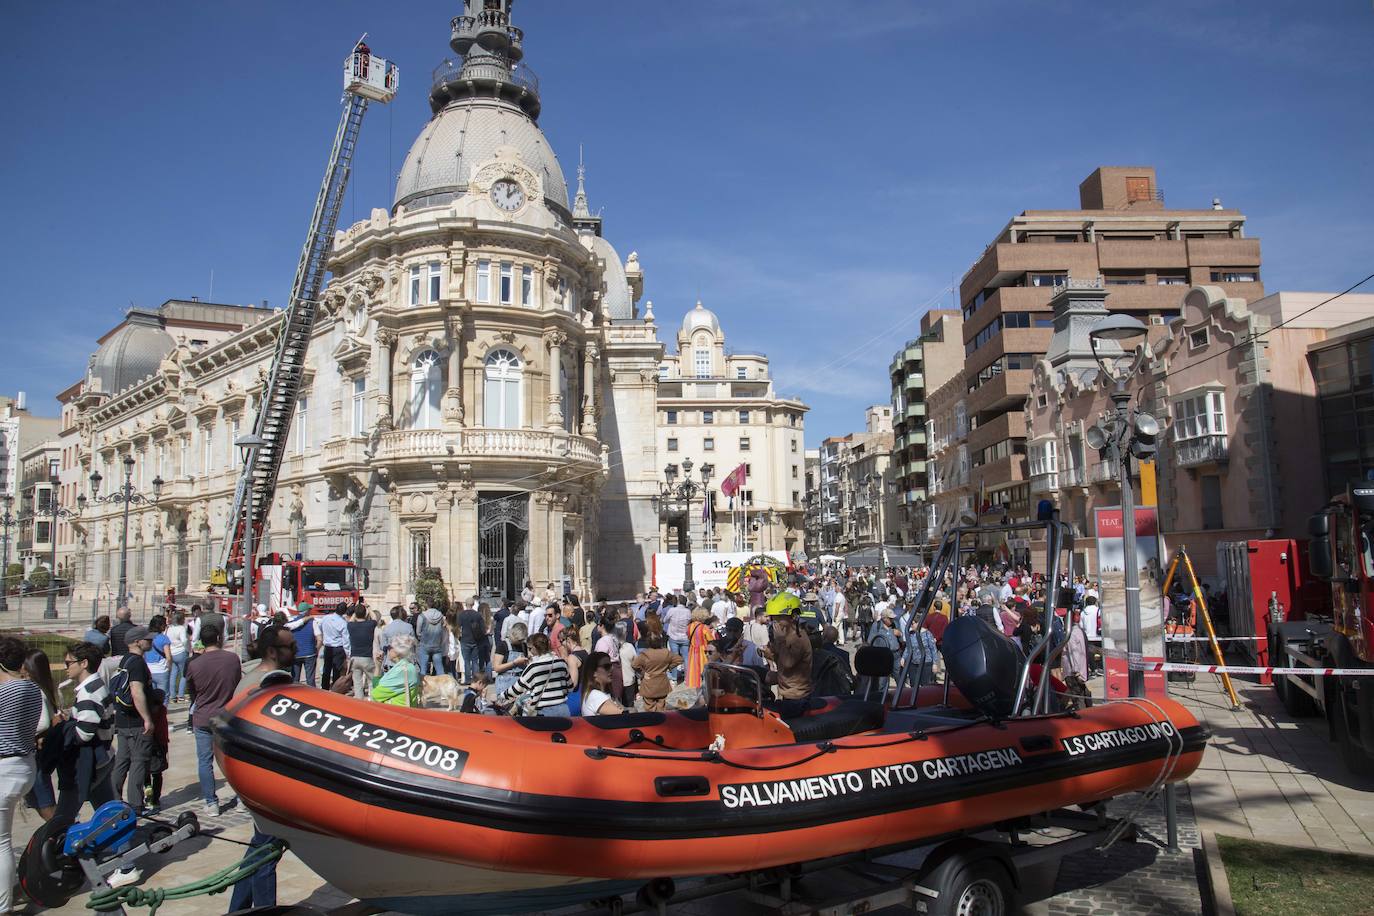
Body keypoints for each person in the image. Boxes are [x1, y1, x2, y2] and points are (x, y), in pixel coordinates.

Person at [226, 623, 296, 913]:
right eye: (290, 647)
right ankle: (265, 908)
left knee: (259, 846)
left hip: (257, 779)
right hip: (268, 781)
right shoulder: (267, 687)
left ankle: (238, 908)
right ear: (272, 651)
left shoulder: (250, 679)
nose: (296, 650)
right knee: (267, 851)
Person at [1, 637, 43, 913]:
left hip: (4, 769)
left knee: (2, 842)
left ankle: (3, 905)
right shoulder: (32, 688)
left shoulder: (6, 692)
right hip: (24, 765)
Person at [185, 623, 241, 817]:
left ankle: (211, 802)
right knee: (233, 760)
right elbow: (236, 682)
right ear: (219, 639)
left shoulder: (194, 664)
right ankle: (241, 799)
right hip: (226, 714)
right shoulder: (233, 659)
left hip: (203, 716)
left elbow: (191, 690)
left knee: (204, 761)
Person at [111, 625, 156, 813]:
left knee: (122, 760)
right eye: (147, 639)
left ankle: (113, 800)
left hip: (122, 720)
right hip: (136, 722)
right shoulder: (137, 663)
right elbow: (137, 691)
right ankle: (136, 805)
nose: (151, 641)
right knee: (139, 761)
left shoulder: (125, 660)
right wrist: (147, 719)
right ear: (137, 642)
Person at [22, 648, 61, 821]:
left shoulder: (36, 690)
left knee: (45, 804)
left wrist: (25, 731)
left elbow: (44, 722)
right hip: (38, 754)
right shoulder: (43, 688)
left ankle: (62, 834)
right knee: (39, 801)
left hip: (36, 756)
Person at [499, 633, 573, 717]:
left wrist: (501, 696)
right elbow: (570, 687)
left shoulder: (533, 667)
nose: (529, 651)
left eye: (530, 648)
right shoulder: (561, 663)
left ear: (535, 648)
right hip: (563, 710)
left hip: (544, 713)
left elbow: (516, 689)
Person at [762, 598, 813, 715]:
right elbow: (781, 661)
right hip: (787, 693)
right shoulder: (786, 636)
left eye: (778, 618)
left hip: (797, 697)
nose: (775, 622)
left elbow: (788, 663)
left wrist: (779, 641)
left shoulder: (798, 638)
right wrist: (770, 654)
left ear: (793, 617)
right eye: (773, 618)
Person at [372, 634, 421, 706]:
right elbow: (377, 687)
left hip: (395, 713)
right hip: (403, 713)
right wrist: (378, 666)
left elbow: (375, 695)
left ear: (398, 651)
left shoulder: (401, 670)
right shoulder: (408, 666)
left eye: (389, 648)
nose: (387, 650)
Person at [347, 605, 380, 700]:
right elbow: (375, 617)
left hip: (354, 658)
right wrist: (368, 607)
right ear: (365, 614)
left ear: (355, 614)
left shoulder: (351, 626)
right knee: (372, 681)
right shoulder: (370, 625)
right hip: (367, 657)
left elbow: (351, 620)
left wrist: (355, 611)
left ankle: (359, 700)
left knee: (357, 683)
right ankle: (373, 699)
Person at [286, 601, 322, 686]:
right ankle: (311, 697)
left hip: (296, 654)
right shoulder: (313, 622)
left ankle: (295, 696)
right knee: (310, 679)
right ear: (307, 611)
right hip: (310, 653)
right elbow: (320, 639)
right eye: (309, 609)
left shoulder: (292, 623)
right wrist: (316, 649)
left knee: (295, 679)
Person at [578, 651, 624, 716]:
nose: (612, 669)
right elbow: (625, 716)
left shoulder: (602, 694)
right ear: (594, 672)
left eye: (611, 665)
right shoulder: (596, 696)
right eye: (606, 666)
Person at [492, 623, 530, 698]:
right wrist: (514, 663)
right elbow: (497, 668)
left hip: (519, 682)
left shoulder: (523, 645)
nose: (520, 642)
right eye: (518, 640)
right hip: (505, 682)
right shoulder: (503, 645)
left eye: (521, 640)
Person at [318, 604, 351, 690]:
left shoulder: (326, 618)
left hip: (328, 647)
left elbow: (319, 627)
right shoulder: (343, 623)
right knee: (337, 670)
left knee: (326, 668)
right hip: (338, 647)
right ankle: (335, 688)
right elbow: (346, 640)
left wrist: (325, 635)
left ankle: (324, 687)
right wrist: (348, 653)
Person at [661, 597, 691, 684]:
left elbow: (665, 620)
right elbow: (689, 622)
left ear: (678, 601)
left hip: (674, 636)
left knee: (674, 657)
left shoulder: (672, 610)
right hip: (684, 636)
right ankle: (687, 677)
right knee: (686, 657)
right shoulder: (688, 611)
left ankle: (674, 676)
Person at [456, 600, 487, 685]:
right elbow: (482, 628)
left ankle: (467, 679)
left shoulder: (461, 615)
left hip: (465, 640)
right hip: (475, 640)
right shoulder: (477, 615)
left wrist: (459, 637)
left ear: (465, 604)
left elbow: (458, 628)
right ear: (473, 604)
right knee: (474, 661)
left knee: (466, 661)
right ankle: (476, 679)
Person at [416, 603, 447, 678]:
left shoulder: (422, 616)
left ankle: (423, 687)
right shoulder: (441, 616)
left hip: (424, 644)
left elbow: (418, 631)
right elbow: (443, 629)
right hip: (437, 644)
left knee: (423, 669)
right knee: (440, 670)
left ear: (426, 605)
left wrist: (421, 637)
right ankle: (442, 686)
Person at [685, 607, 713, 689]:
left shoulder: (689, 626)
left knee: (693, 667)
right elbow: (710, 639)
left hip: (692, 649)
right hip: (702, 650)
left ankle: (693, 682)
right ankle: (701, 682)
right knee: (702, 667)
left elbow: (688, 636)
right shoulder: (704, 627)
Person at [166, 611, 191, 702]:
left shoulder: (169, 629)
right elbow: (184, 640)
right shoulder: (181, 628)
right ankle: (181, 695)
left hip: (172, 652)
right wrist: (188, 649)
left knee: (173, 674)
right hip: (181, 651)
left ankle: (172, 695)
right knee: (183, 674)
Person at [146, 614, 171, 700]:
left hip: (149, 669)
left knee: (151, 696)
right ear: (160, 625)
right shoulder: (164, 638)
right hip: (161, 669)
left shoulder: (147, 637)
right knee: (163, 695)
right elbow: (168, 657)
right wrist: (169, 667)